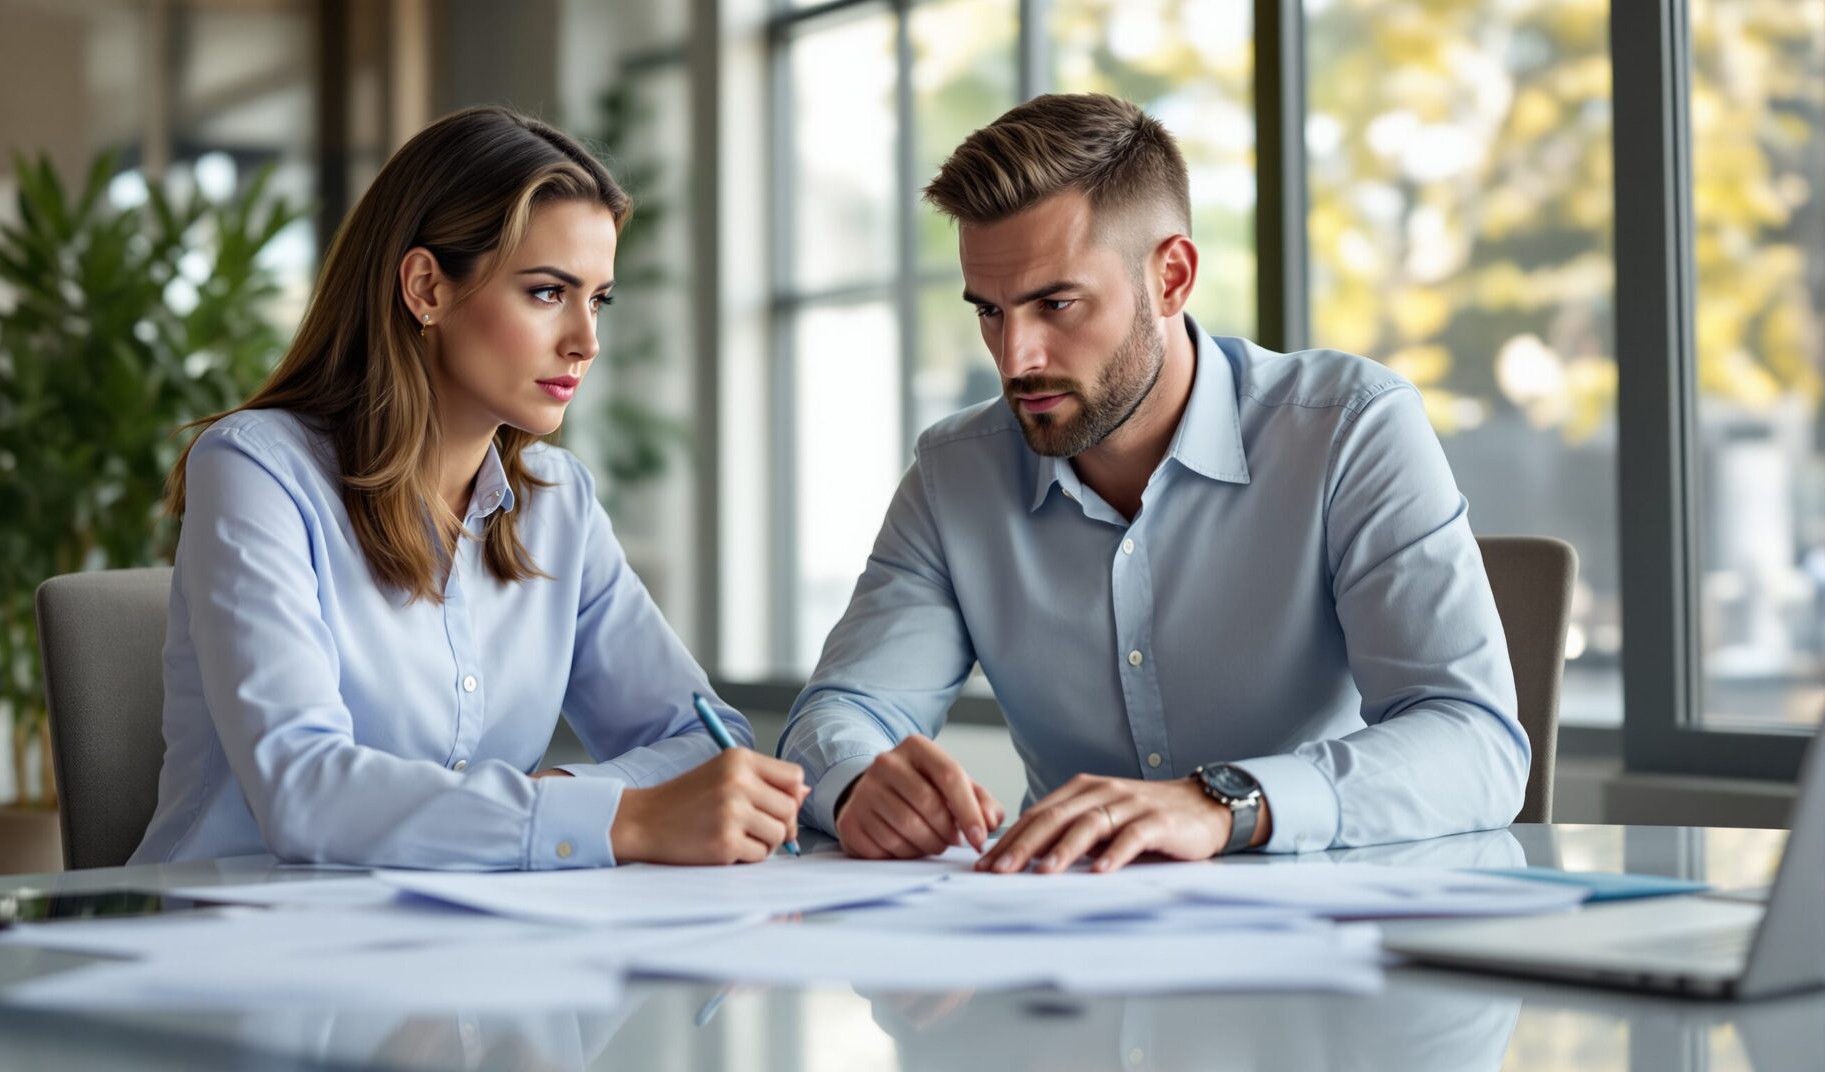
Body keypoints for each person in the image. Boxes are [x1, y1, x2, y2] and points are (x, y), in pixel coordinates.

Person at [777, 93, 1526, 873]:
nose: (1015, 358)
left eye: (1056, 303)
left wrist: (1225, 802)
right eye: (990, 312)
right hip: (1067, 945)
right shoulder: (954, 474)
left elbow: (1473, 741)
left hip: (1315, 938)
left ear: (1171, 277)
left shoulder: (1348, 430)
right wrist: (863, 780)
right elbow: (844, 709)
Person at [132, 106, 806, 871]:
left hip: (461, 946)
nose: (587, 341)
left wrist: (563, 799)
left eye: (599, 299)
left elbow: (702, 741)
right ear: (426, 287)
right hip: (230, 951)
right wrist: (617, 818)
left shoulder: (558, 501)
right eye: (549, 292)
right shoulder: (257, 471)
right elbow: (305, 791)